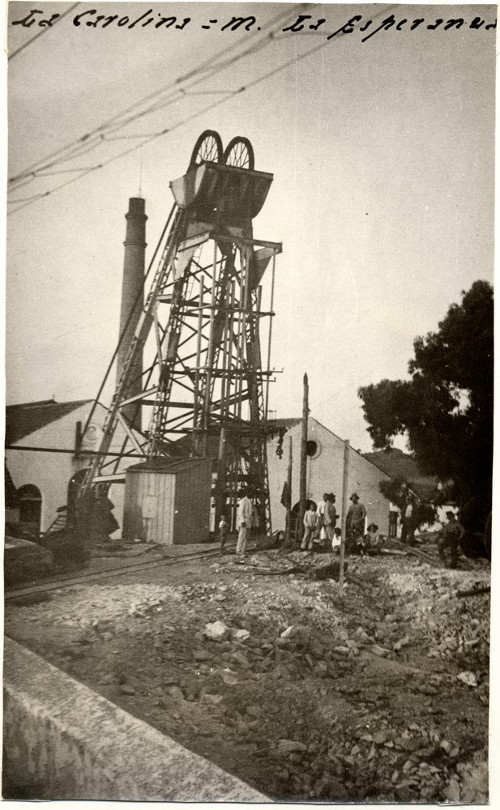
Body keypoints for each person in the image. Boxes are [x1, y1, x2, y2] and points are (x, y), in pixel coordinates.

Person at [236, 490, 253, 556]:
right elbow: (240, 512)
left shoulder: (250, 501)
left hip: (248, 521)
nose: (251, 494)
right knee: (242, 535)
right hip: (244, 521)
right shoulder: (243, 501)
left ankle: (243, 550)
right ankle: (238, 550)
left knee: (247, 537)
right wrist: (242, 521)